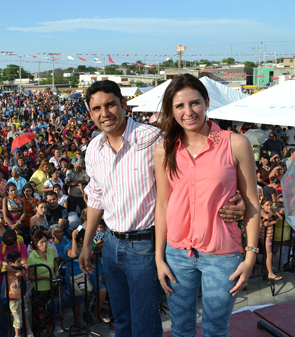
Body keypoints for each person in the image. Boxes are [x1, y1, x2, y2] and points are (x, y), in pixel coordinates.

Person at [79, 79, 246, 337]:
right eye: (97, 109)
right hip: (111, 244)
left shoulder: (154, 138)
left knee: (145, 323)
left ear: (123, 104)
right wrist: (88, 242)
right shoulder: (93, 149)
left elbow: (198, 162)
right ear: (90, 113)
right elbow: (96, 197)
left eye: (110, 104)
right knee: (121, 320)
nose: (105, 113)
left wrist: (242, 199)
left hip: (146, 245)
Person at [153, 74, 260, 337]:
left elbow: (251, 204)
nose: (188, 112)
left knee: (215, 331)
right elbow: (163, 204)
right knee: (181, 329)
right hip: (177, 254)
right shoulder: (164, 149)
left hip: (223, 255)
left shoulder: (235, 143)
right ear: (171, 110)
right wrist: (159, 258)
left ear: (207, 102)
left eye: (195, 103)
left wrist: (250, 256)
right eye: (179, 106)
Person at [27, 230, 57, 336]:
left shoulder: (50, 251)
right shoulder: (32, 257)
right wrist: (45, 277)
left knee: (50, 311)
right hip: (39, 290)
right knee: (38, 315)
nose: (44, 244)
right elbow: (29, 277)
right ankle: (38, 334)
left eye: (46, 241)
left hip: (51, 288)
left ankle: (49, 332)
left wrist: (56, 273)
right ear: (36, 244)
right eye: (41, 242)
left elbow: (55, 263)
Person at [5, 251, 34, 337]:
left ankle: (29, 332)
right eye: (18, 261)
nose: (20, 263)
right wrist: (15, 272)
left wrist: (26, 269)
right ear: (11, 263)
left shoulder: (21, 268)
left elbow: (25, 278)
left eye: (20, 261)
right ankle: (17, 335)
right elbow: (5, 266)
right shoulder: (9, 269)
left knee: (25, 315)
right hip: (13, 299)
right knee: (17, 319)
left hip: (22, 296)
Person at [259, 197, 283, 282]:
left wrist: (270, 223)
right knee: (269, 254)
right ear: (262, 206)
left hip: (269, 235)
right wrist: (273, 214)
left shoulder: (272, 209)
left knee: (267, 254)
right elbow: (267, 216)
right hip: (265, 237)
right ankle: (270, 273)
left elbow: (280, 218)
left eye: (270, 205)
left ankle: (266, 271)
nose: (269, 207)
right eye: (267, 205)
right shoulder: (261, 211)